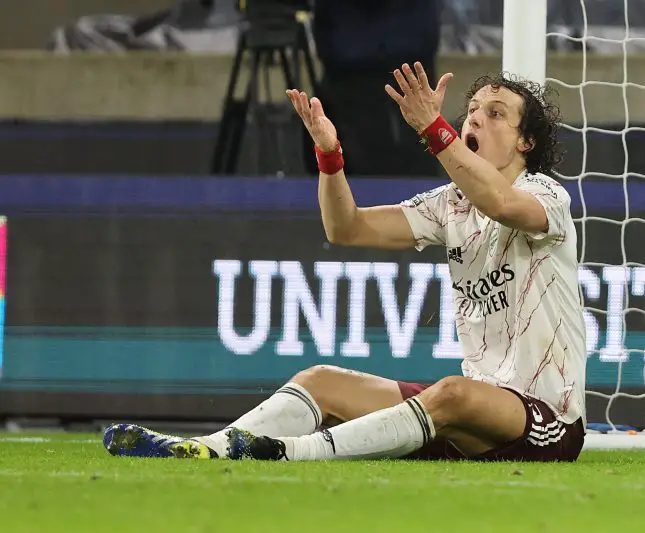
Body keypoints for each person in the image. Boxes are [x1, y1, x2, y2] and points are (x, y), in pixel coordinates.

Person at [103, 62, 587, 463]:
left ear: (526, 142)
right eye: (473, 110)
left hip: (547, 421)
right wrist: (329, 156)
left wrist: (432, 129)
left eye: (495, 113)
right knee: (321, 382)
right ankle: (206, 448)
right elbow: (347, 228)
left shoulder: (547, 195)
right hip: (471, 420)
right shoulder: (450, 205)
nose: (476, 118)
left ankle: (290, 452)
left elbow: (499, 203)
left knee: (452, 392)